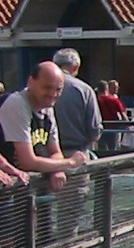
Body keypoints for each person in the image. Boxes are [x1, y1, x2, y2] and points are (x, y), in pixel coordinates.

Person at [0, 62, 91, 191]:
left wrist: (56, 170)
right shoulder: (17, 104)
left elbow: (55, 152)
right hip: (7, 185)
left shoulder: (47, 107)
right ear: (30, 82)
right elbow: (27, 161)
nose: (53, 94)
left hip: (22, 186)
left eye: (58, 89)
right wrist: (70, 162)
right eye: (47, 87)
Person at [49, 48, 103, 156]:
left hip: (45, 154)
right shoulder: (84, 89)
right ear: (75, 67)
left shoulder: (39, 88)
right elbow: (94, 130)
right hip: (76, 153)